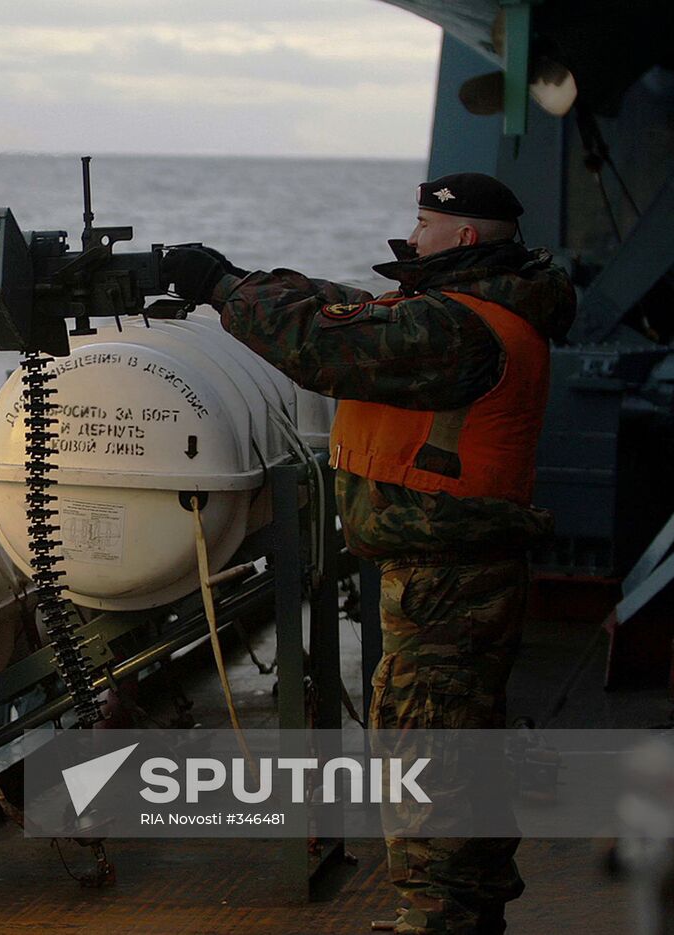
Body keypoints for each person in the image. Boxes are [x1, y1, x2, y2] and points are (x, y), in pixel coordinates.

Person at [162, 173, 576, 935]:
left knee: (431, 750)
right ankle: (464, 905)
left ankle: (439, 915)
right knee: (455, 743)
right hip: (453, 568)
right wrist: (241, 279)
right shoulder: (475, 308)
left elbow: (328, 343)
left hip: (447, 575)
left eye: (423, 225)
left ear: (462, 236)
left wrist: (220, 287)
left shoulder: (458, 328)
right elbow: (353, 308)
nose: (412, 239)